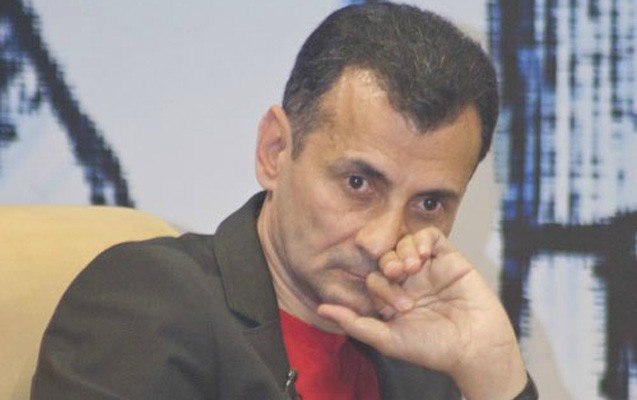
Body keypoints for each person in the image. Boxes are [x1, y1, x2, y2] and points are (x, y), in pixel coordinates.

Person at [32, 3, 538, 399]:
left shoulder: (419, 360)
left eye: (428, 205)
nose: (383, 240)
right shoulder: (146, 300)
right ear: (275, 151)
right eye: (358, 183)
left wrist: (493, 372)